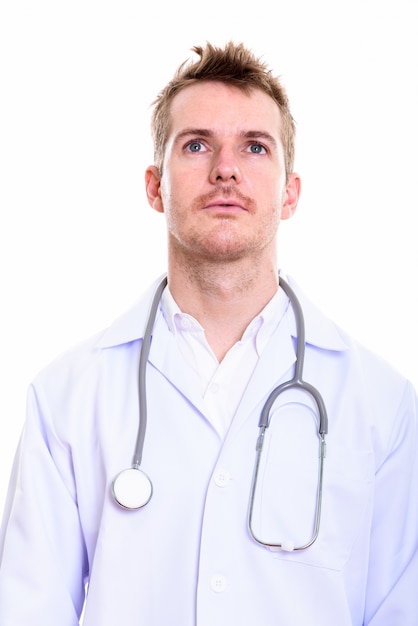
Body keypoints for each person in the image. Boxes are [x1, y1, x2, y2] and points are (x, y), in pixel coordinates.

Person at [0, 41, 417, 626]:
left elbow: (400, 608)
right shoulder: (66, 397)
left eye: (255, 146)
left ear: (290, 193)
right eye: (196, 145)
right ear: (154, 186)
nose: (226, 168)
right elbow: (28, 611)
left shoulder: (382, 402)